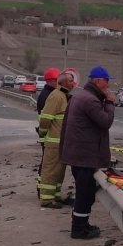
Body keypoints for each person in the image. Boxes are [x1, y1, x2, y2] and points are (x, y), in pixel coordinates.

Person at [60, 66, 116, 239]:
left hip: (78, 154)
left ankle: (82, 223)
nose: (108, 85)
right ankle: (79, 229)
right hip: (84, 156)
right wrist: (110, 102)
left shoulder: (80, 96)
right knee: (85, 195)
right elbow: (105, 122)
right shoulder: (90, 100)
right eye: (106, 81)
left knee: (85, 193)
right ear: (98, 81)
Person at [36, 71, 76, 208]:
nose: (73, 83)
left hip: (61, 142)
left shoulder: (63, 96)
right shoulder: (56, 96)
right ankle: (47, 199)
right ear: (63, 82)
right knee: (51, 171)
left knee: (59, 172)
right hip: (54, 142)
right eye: (70, 80)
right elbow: (45, 118)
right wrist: (43, 133)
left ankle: (55, 196)